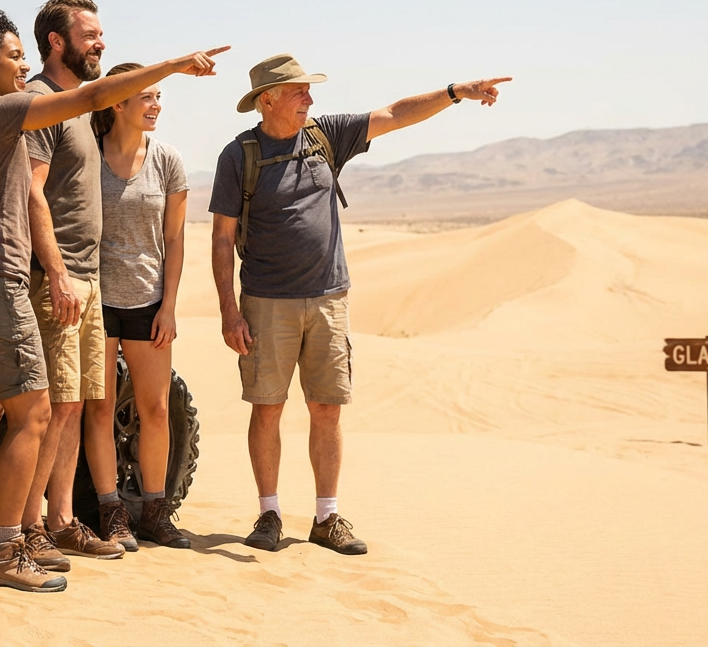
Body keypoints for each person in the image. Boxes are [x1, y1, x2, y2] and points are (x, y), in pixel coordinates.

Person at [0, 4, 225, 592]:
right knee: (34, 414)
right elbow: (90, 98)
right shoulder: (1, 112)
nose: (22, 63)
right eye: (12, 55)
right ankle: (8, 549)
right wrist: (176, 65)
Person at [209, 53, 510, 555]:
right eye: (299, 90)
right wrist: (228, 311)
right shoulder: (238, 156)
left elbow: (395, 114)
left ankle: (326, 517)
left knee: (327, 408)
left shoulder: (326, 136)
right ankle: (269, 514)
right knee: (268, 409)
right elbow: (222, 239)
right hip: (266, 303)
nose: (311, 98)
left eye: (309, 89)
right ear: (268, 100)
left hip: (329, 300)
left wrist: (455, 91)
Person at [18, 0, 124, 571]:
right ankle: (30, 527)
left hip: (90, 279)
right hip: (54, 280)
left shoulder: (81, 106)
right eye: (90, 35)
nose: (100, 43)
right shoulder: (42, 103)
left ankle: (61, 521)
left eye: (101, 33)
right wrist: (57, 274)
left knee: (76, 405)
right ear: (57, 42)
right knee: (51, 406)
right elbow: (33, 192)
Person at [86, 62, 191, 549]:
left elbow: (174, 238)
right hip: (96, 301)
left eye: (158, 97)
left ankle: (155, 511)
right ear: (118, 103)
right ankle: (111, 513)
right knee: (100, 409)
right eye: (145, 97)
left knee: (155, 408)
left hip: (149, 302)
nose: (155, 105)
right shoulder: (88, 157)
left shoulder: (168, 160)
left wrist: (168, 306)